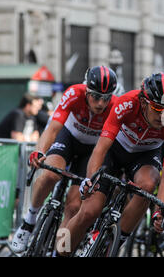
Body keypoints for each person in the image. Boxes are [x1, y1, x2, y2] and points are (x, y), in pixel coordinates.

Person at [60, 72, 164, 256]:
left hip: (145, 156)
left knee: (149, 184)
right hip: (114, 150)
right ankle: (59, 252)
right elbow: (100, 149)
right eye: (158, 109)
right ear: (144, 102)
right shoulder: (127, 103)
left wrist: (160, 212)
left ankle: (115, 242)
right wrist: (89, 180)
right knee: (88, 212)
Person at [10, 66, 118, 253]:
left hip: (90, 151)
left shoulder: (115, 106)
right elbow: (52, 128)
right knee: (51, 174)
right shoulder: (74, 93)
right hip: (67, 138)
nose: (101, 103)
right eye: (96, 97)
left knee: (74, 206)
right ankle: (29, 221)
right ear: (86, 91)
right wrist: (39, 151)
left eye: (106, 98)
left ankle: (58, 252)